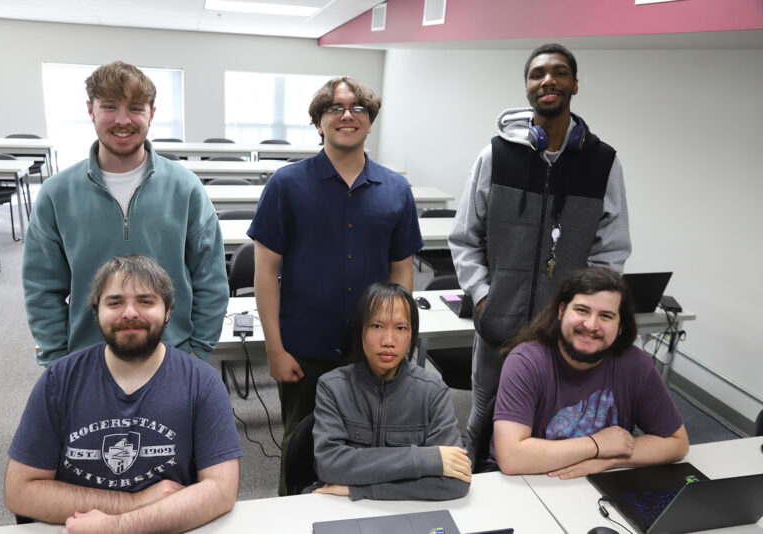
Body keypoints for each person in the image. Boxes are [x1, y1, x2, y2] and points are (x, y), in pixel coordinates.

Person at [449, 43, 632, 459]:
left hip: (563, 330)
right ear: (528, 87)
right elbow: (465, 238)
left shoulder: (602, 162)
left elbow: (611, 250)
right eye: (537, 74)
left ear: (575, 84)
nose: (548, 80)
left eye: (559, 72)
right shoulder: (495, 155)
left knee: (552, 420)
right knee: (483, 416)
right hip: (498, 324)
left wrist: (583, 312)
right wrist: (482, 298)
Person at [248, 77, 424, 495]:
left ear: (370, 120)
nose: (347, 115)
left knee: (370, 443)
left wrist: (398, 336)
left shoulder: (396, 190)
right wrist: (274, 348)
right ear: (319, 122)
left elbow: (401, 273)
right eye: (334, 108)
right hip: (303, 348)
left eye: (358, 108)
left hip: (370, 346)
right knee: (300, 445)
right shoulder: (286, 184)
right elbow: (265, 272)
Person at [5, 255, 242, 532]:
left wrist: (117, 527)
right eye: (115, 302)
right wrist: (138, 502)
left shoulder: (202, 382)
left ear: (167, 312)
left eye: (145, 301)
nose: (129, 313)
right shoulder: (59, 381)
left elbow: (222, 490)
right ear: (97, 312)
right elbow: (20, 491)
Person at [22, 60, 228, 366]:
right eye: (109, 107)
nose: (122, 120)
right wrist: (57, 361)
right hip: (86, 359)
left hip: (174, 357)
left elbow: (210, 279)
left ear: (151, 114)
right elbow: (41, 288)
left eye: (135, 107)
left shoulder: (186, 188)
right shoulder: (56, 194)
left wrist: (198, 352)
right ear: (90, 110)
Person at [489, 267, 687, 478]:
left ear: (620, 327)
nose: (591, 325)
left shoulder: (636, 365)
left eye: (606, 316)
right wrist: (596, 445)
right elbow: (511, 458)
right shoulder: (526, 362)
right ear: (561, 311)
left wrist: (609, 461)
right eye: (582, 310)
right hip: (529, 481)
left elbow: (677, 443)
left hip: (598, 482)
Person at [312, 282, 471, 500]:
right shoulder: (332, 388)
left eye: (400, 328)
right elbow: (330, 466)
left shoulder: (432, 392)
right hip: (344, 509)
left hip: (390, 508)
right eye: (377, 326)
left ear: (411, 335)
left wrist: (361, 490)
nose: (388, 341)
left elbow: (456, 482)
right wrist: (424, 460)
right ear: (360, 331)